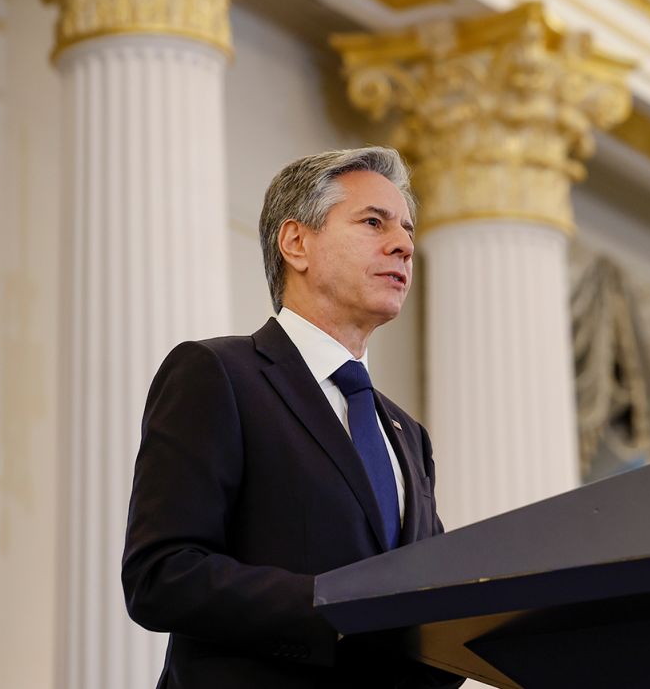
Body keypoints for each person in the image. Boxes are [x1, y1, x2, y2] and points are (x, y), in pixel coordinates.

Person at [122, 147, 464, 689]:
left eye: (407, 231)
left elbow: (423, 613)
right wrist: (341, 609)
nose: (402, 244)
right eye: (373, 222)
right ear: (296, 243)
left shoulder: (408, 437)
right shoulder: (220, 375)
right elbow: (163, 574)